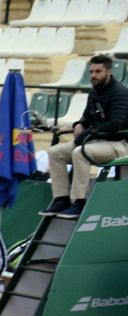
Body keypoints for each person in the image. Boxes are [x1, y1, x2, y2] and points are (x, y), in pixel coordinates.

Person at [40, 54, 128, 219]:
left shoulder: (120, 93)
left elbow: (116, 124)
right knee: (54, 152)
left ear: (108, 72)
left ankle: (79, 201)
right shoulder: (94, 92)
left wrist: (89, 133)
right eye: (91, 72)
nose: (93, 75)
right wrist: (78, 125)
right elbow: (87, 118)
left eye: (98, 71)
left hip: (119, 144)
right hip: (97, 141)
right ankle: (61, 199)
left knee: (80, 152)